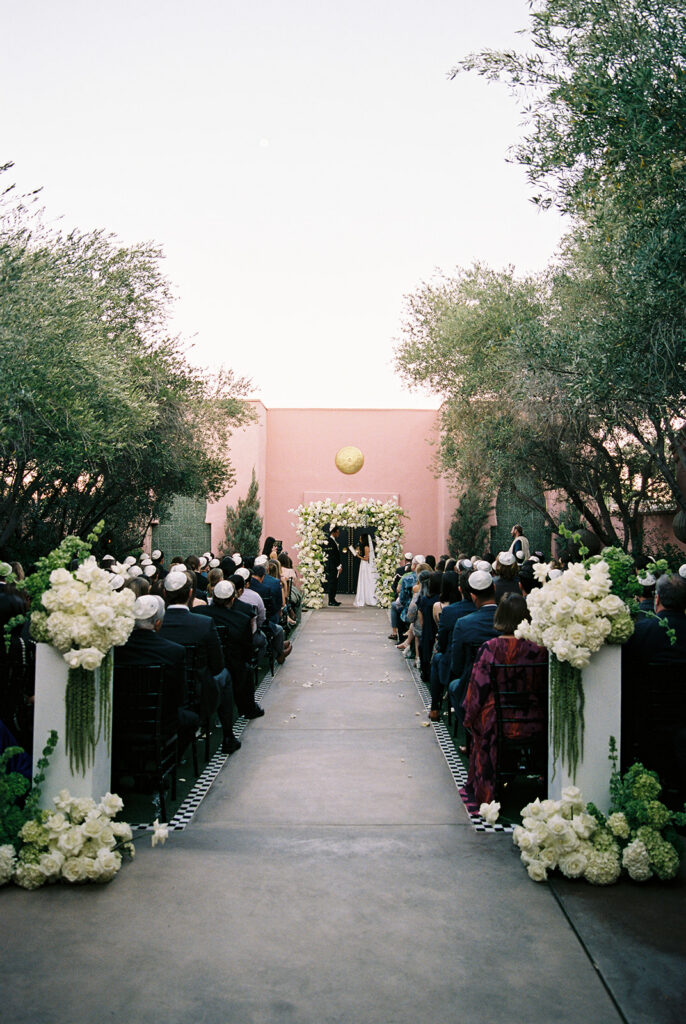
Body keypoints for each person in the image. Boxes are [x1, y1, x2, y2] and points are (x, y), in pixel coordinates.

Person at [463, 594, 547, 803]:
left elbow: (477, 690)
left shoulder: (490, 648)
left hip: (496, 724)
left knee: (482, 714)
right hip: (535, 721)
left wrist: (469, 717)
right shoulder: (539, 650)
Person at [447, 569, 500, 725]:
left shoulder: (464, 624)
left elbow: (456, 666)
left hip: (473, 684)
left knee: (454, 686)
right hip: (506, 682)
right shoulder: (508, 618)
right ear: (494, 588)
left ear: (473, 596)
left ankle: (470, 728)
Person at [352, 532, 378, 607]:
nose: (360, 539)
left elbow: (366, 558)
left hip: (365, 565)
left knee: (366, 579)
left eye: (361, 538)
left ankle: (367, 597)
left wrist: (358, 556)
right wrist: (358, 551)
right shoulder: (364, 546)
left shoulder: (366, 547)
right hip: (363, 564)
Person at [323, 526, 342, 606]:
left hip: (334, 565)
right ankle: (331, 600)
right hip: (332, 566)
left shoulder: (333, 541)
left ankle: (333, 599)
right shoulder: (330, 541)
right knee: (332, 583)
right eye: (337, 532)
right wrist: (338, 566)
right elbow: (333, 556)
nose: (338, 534)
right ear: (333, 532)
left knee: (334, 583)